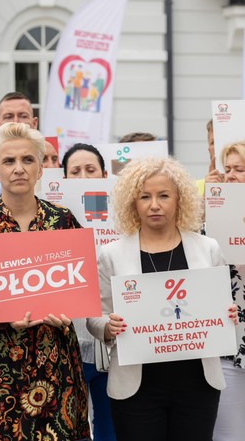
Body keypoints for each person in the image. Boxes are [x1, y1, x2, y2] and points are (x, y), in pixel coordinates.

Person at [86, 156, 235, 441]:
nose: (154, 204)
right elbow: (95, 316)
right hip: (135, 388)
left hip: (198, 384)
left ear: (179, 199)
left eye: (164, 195)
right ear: (133, 202)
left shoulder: (207, 248)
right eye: (145, 196)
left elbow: (223, 307)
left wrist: (227, 315)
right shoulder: (112, 254)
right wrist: (108, 326)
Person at [0, 122, 90, 441]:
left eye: (28, 159)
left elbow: (79, 287)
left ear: (41, 168)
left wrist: (67, 311)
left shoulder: (63, 220)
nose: (18, 168)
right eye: (9, 161)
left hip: (54, 359)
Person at [61, 143, 116, 441]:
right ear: (64, 178)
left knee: (110, 425)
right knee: (73, 426)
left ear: (105, 175)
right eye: (75, 171)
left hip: (112, 337)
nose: (83, 176)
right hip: (72, 338)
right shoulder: (53, 220)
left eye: (90, 169)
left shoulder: (125, 215)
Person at [211, 141, 245, 441]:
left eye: (240, 169)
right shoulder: (211, 223)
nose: (231, 175)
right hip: (230, 346)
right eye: (228, 169)